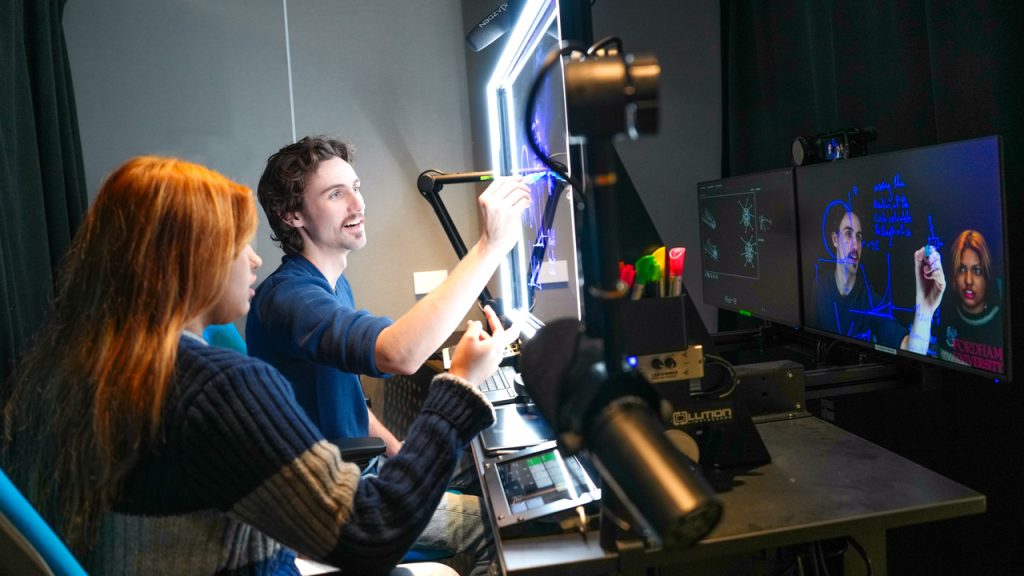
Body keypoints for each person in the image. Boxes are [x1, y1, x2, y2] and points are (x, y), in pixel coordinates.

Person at [1, 156, 506, 576]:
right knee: (501, 525)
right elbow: (371, 533)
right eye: (236, 244)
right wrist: (459, 385)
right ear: (188, 261)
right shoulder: (218, 385)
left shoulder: (82, 371)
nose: (254, 260)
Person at [245, 137, 529, 573]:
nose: (357, 203)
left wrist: (402, 452)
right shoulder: (291, 299)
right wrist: (489, 246)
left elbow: (351, 402)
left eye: (355, 186)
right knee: (501, 522)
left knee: (494, 478)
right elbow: (401, 352)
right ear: (292, 215)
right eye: (335, 194)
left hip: (362, 468)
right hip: (334, 505)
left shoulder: (332, 285)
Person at [809, 207, 944, 354]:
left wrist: (924, 311)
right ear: (835, 239)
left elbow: (911, 349)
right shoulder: (820, 286)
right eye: (848, 234)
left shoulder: (871, 301)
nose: (855, 245)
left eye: (859, 237)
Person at [938, 229, 1004, 373]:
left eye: (977, 271)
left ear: (987, 276)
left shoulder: (1003, 313)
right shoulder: (945, 308)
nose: (968, 280)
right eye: (962, 269)